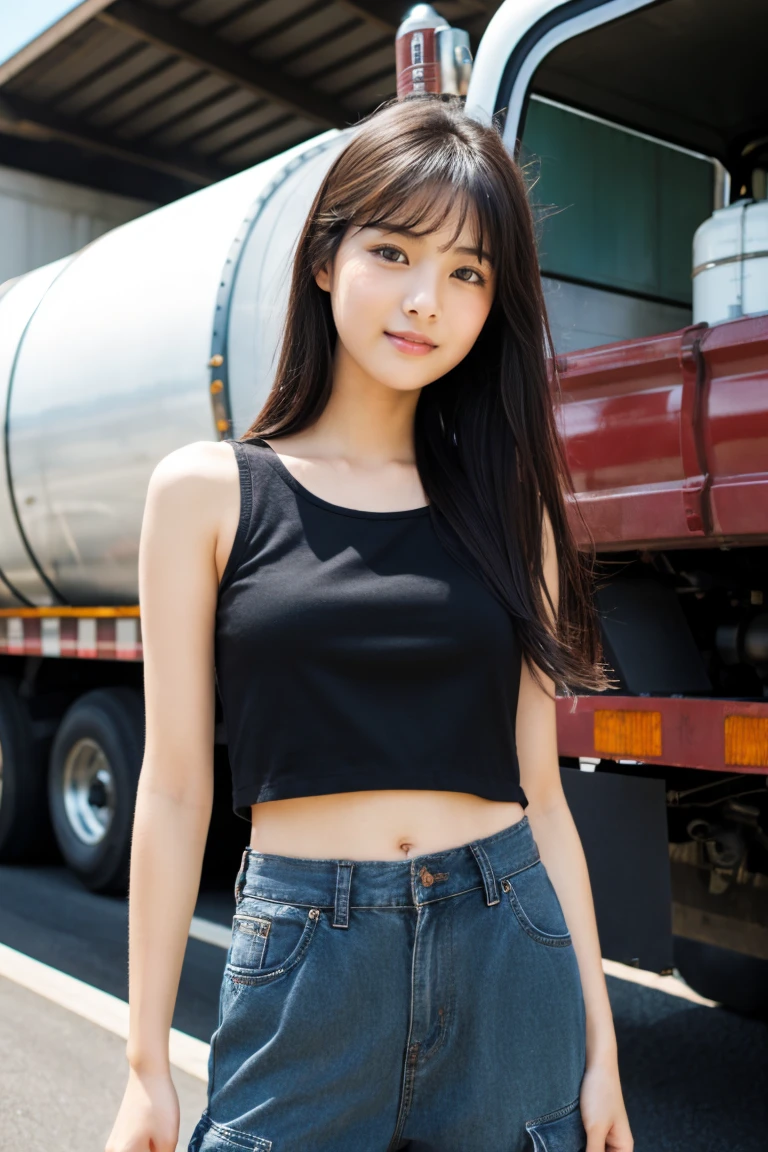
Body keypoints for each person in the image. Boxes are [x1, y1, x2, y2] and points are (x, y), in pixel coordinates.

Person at [105, 94, 633, 1152]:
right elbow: (172, 786)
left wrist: (604, 1049)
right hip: (307, 958)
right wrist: (145, 1064)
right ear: (322, 259)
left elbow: (544, 800)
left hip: (507, 942)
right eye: (393, 252)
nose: (426, 299)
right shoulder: (207, 493)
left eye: (468, 273)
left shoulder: (507, 504)